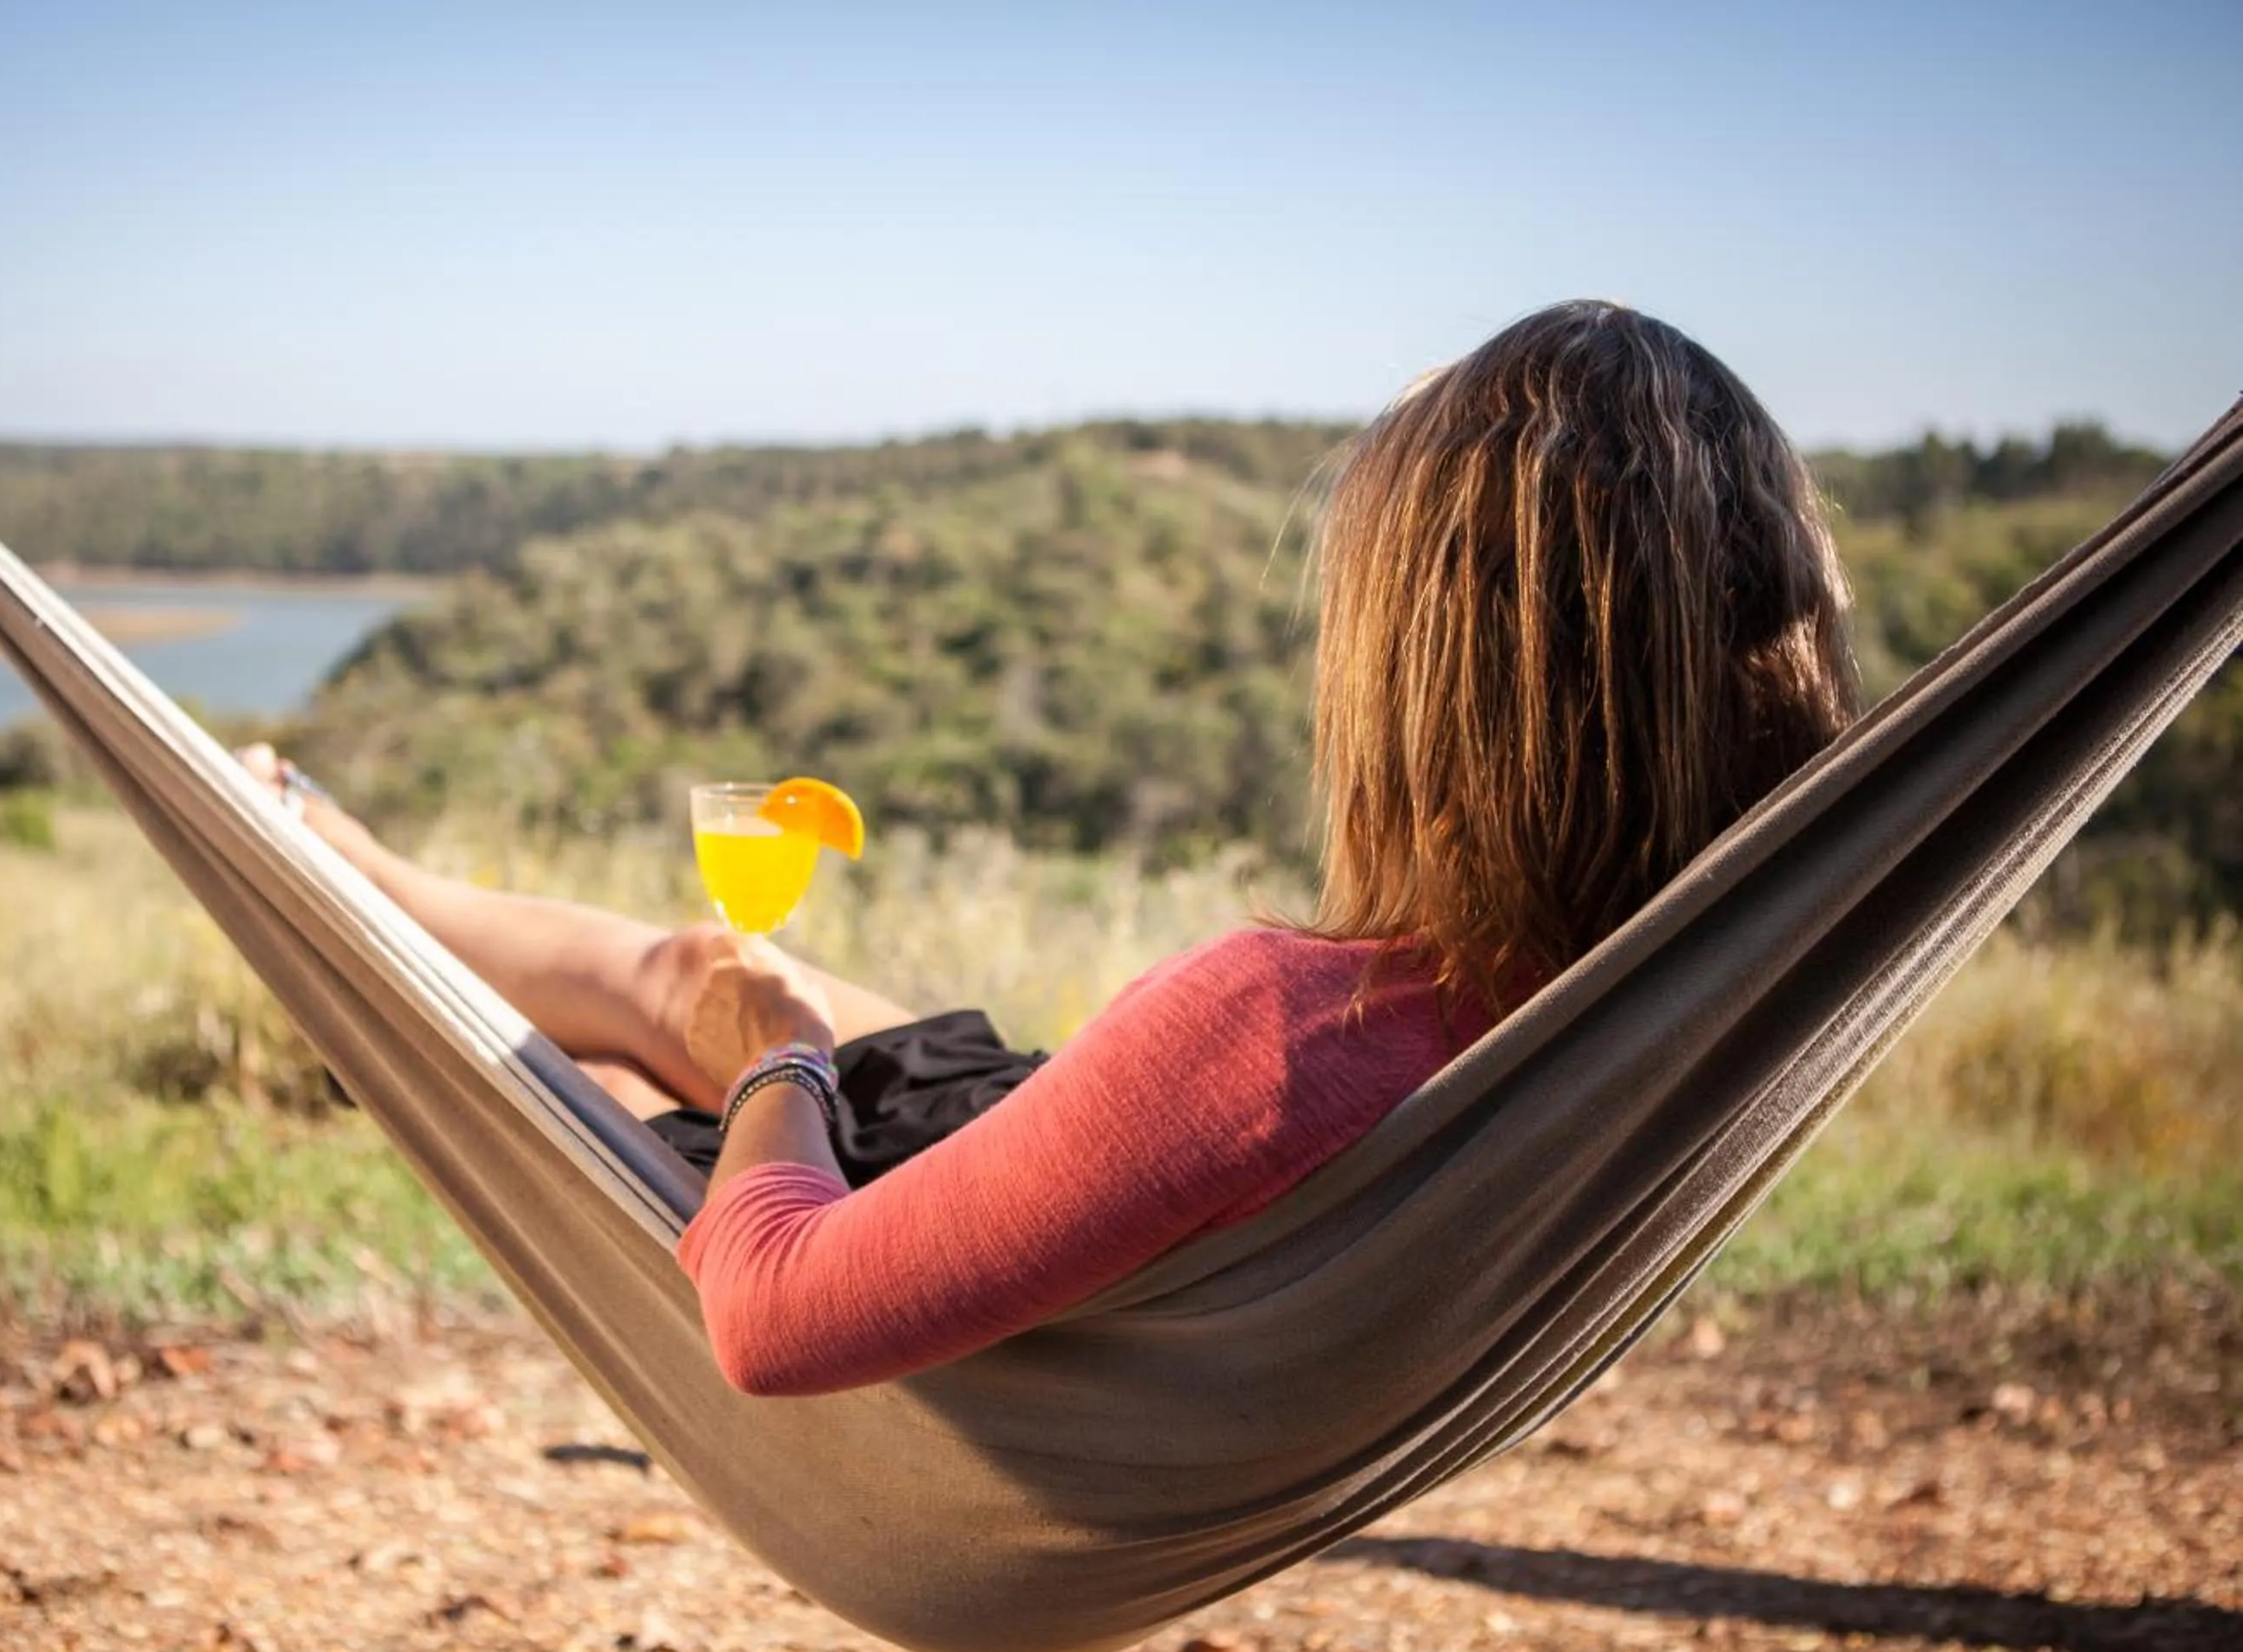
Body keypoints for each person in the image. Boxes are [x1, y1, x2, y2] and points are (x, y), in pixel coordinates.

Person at [244, 301, 1861, 1397]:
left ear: (1431, 682)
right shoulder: (1717, 983)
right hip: (1137, 1197)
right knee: (683, 974)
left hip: (1002, 1250)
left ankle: (333, 884)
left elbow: (770, 1314)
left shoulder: (1285, 1021)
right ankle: (357, 875)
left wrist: (779, 1063)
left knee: (631, 1049)